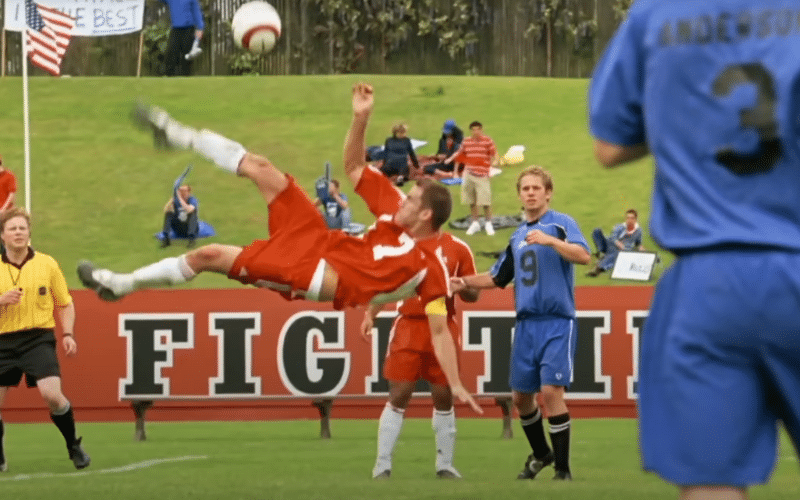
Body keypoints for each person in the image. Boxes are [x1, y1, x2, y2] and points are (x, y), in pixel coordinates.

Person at [77, 84, 482, 414]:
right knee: (262, 167)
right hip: (319, 239)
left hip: (314, 274)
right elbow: (355, 168)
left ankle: (120, 284)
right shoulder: (394, 208)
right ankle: (175, 132)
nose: (403, 198)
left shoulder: (429, 268)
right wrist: (361, 118)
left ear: (425, 215)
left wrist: (455, 381)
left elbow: (440, 330)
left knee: (209, 256)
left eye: (412, 199)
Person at [588, 2, 800, 499]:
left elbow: (609, 145)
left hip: (706, 283)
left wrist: (691, 119)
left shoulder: (655, 14)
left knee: (710, 484)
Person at [451, 166, 590, 481]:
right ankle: (542, 454)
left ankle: (563, 472)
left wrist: (551, 241)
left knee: (551, 392)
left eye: (536, 188)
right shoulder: (517, 236)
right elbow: (497, 277)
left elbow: (584, 256)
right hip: (526, 324)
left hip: (557, 320)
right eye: (525, 188)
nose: (530, 193)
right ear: (519, 195)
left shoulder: (561, 223)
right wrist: (463, 282)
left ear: (548, 193)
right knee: (520, 398)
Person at [359, 195, 480, 480]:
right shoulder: (403, 245)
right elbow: (388, 284)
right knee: (399, 393)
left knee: (443, 395)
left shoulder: (458, 248)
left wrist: (462, 286)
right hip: (409, 325)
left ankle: (444, 464)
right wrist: (370, 314)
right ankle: (382, 465)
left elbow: (473, 294)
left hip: (442, 325)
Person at [0, 208, 90, 472]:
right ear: (3, 235)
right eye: (12, 229)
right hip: (2, 340)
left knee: (52, 395)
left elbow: (65, 303)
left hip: (37, 338)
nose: (18, 233)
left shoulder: (47, 263)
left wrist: (68, 334)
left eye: (22, 228)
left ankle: (73, 445)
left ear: (29, 232)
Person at [445, 121, 498, 236]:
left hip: (482, 174)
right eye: (473, 130)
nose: (476, 132)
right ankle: (475, 223)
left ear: (481, 130)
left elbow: (494, 154)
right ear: (471, 131)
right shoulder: (466, 141)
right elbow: (459, 153)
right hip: (469, 174)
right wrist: (450, 161)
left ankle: (488, 223)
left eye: (478, 129)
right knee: (471, 200)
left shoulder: (487, 141)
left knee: (485, 201)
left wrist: (494, 163)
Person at [586, 209, 645, 277]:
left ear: (635, 219)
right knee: (597, 231)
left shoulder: (638, 231)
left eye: (632, 218)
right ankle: (601, 253)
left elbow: (638, 243)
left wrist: (641, 248)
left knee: (616, 254)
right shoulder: (619, 226)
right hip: (610, 244)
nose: (629, 220)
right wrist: (617, 243)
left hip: (622, 250)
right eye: (628, 218)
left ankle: (599, 268)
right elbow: (613, 237)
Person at [160, 0, 204, 76]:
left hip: (188, 29)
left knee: (186, 57)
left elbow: (196, 11)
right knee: (171, 54)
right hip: (175, 30)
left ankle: (186, 78)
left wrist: (200, 27)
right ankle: (169, 78)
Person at [160, 184, 199, 248]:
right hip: (179, 227)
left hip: (189, 227)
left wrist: (180, 198)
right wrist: (172, 199)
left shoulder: (192, 200)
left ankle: (192, 240)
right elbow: (165, 210)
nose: (182, 192)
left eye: (184, 190)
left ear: (189, 192)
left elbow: (189, 210)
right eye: (181, 190)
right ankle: (166, 239)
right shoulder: (176, 200)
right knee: (169, 213)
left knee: (192, 214)